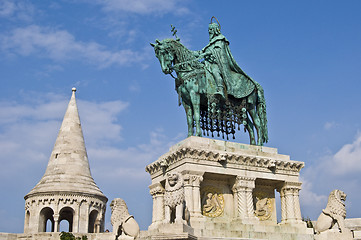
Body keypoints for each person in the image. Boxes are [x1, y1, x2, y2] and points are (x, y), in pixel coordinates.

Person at [202, 20, 256, 100]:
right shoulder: (210, 43)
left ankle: (220, 90)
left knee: (215, 71)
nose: (209, 32)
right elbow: (202, 51)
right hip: (209, 63)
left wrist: (207, 53)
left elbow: (217, 51)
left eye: (210, 30)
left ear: (215, 30)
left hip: (219, 64)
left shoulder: (220, 39)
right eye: (208, 30)